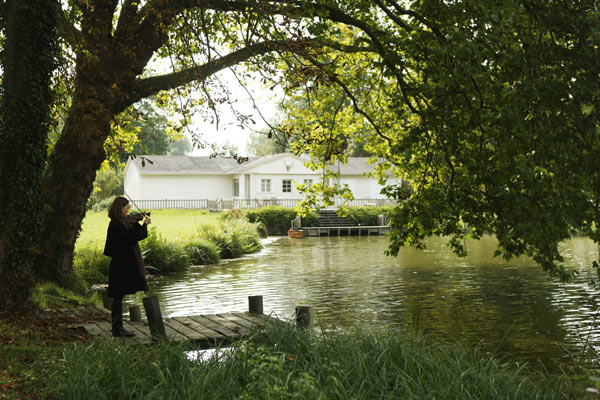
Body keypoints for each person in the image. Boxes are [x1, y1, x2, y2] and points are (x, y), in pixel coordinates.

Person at [103, 196, 151, 337]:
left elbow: (131, 230)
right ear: (120, 208)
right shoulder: (117, 224)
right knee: (118, 295)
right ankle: (118, 329)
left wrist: (136, 220)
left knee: (119, 295)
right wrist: (145, 225)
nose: (128, 211)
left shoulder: (121, 222)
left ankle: (118, 328)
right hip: (120, 264)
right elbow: (132, 237)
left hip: (123, 263)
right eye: (126, 208)